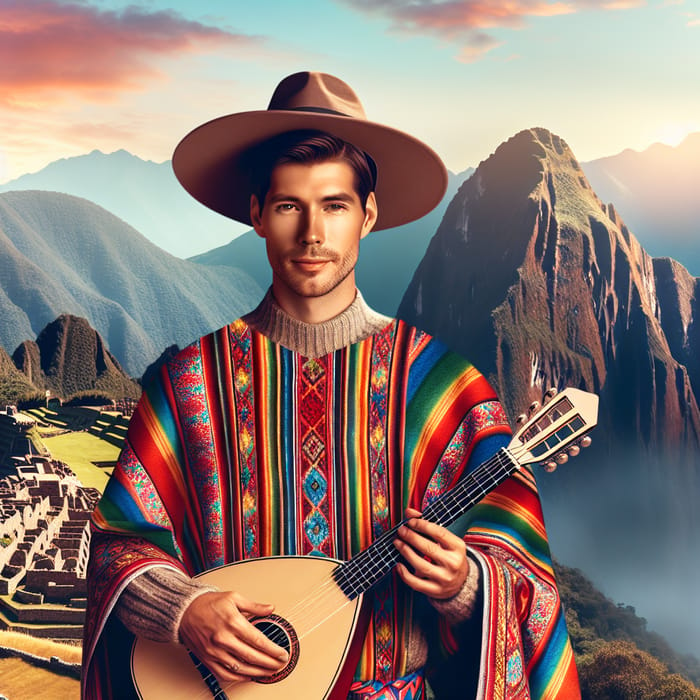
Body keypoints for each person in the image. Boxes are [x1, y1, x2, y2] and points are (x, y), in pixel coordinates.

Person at [82, 71, 581, 699]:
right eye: (290, 204)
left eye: (335, 205)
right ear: (258, 214)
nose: (312, 232)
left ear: (367, 215)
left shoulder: (447, 390)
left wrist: (468, 587)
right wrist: (182, 609)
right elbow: (117, 551)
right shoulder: (190, 385)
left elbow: (525, 588)